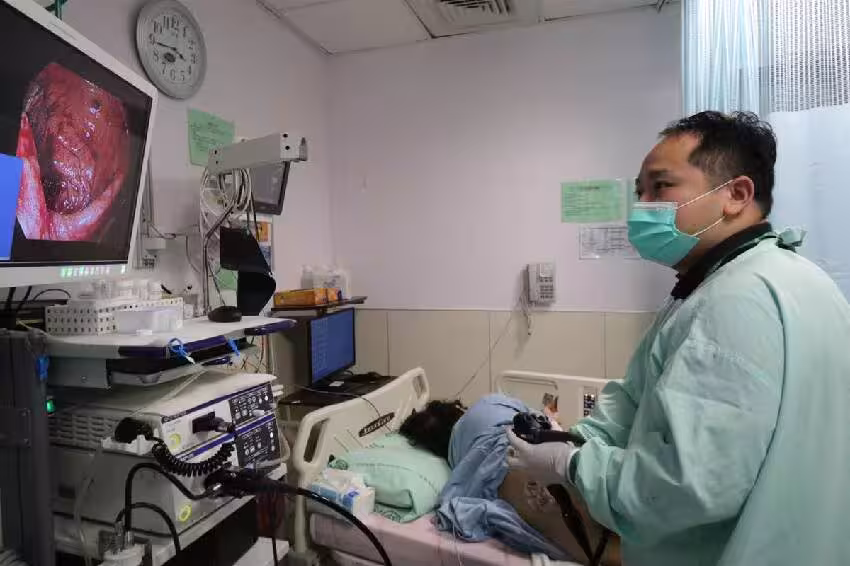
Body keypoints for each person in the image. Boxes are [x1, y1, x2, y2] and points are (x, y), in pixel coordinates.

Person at [507, 111, 850, 566]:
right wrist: (575, 437)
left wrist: (571, 465)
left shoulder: (733, 300)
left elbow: (688, 486)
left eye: (661, 187)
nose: (642, 207)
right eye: (640, 192)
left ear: (736, 195)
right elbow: (638, 395)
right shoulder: (794, 278)